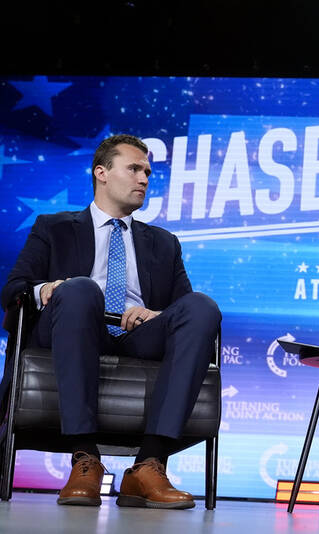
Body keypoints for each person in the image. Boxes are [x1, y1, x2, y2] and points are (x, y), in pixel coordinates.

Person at [0, 134, 221, 509]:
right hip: (73, 324)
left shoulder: (164, 242)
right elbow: (13, 290)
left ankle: (148, 465)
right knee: (82, 290)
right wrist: (49, 289)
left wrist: (158, 313)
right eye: (134, 169)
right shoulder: (54, 226)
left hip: (137, 334)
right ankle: (85, 458)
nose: (144, 179)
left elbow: (184, 308)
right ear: (101, 173)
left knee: (203, 307)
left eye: (148, 172)